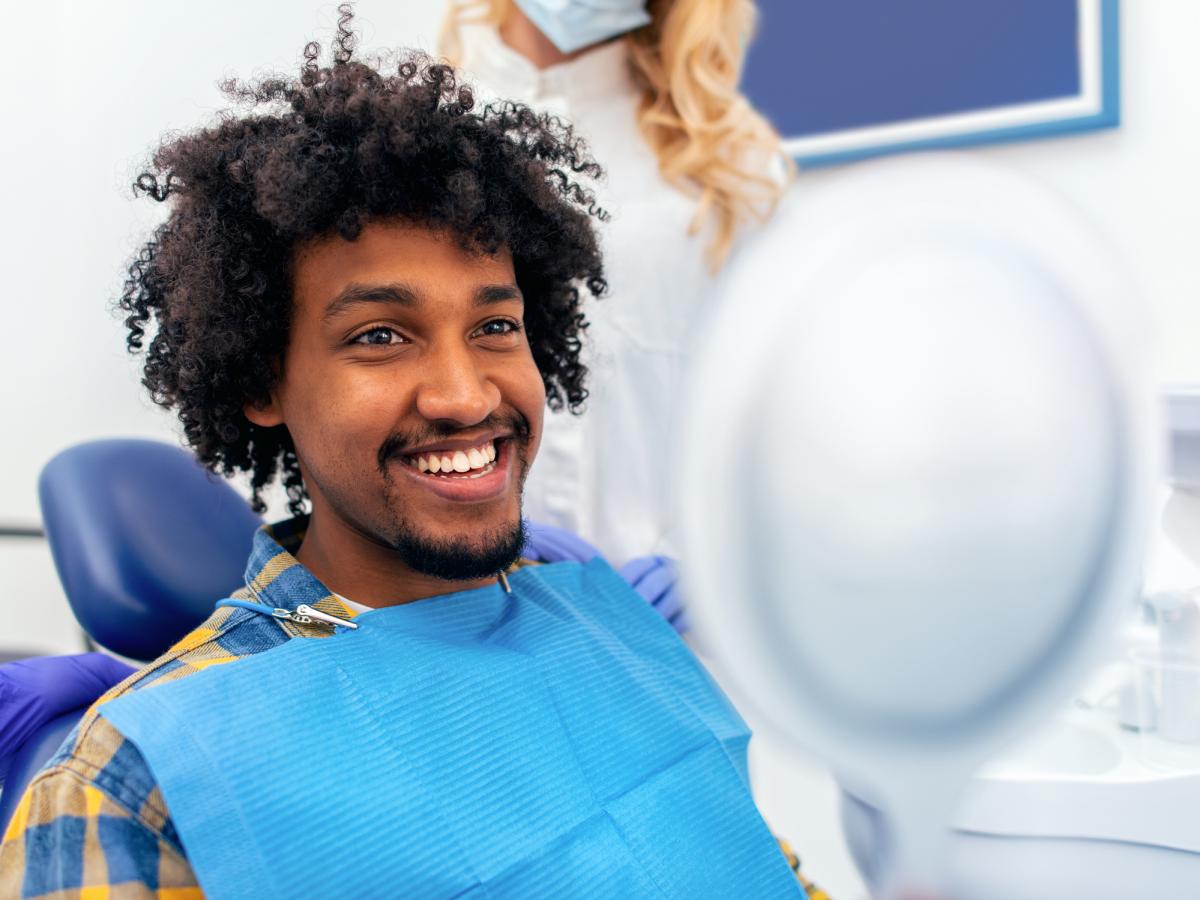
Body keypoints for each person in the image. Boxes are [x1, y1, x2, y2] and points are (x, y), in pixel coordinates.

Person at [0, 11, 818, 896]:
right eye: (382, 335)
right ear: (261, 382)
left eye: (496, 326)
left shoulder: (615, 638)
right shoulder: (139, 781)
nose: (467, 395)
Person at [440, 0, 791, 574]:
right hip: (468, 587)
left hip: (670, 610)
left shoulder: (732, 168)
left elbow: (773, 407)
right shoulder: (427, 133)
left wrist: (702, 557)